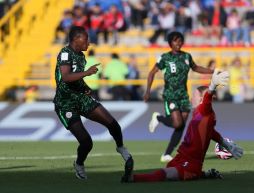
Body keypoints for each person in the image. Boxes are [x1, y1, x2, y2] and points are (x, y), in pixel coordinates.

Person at [122, 70, 243, 183]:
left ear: (201, 99)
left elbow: (207, 99)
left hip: (191, 162)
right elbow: (211, 133)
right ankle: (204, 174)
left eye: (194, 96)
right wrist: (226, 144)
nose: (191, 98)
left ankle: (132, 178)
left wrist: (212, 86)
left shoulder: (204, 110)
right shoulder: (199, 114)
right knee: (169, 169)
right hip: (181, 157)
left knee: (165, 174)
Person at [53, 26, 133, 180]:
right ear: (76, 38)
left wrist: (85, 87)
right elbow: (66, 77)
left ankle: (121, 147)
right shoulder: (65, 53)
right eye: (86, 39)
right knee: (86, 142)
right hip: (65, 104)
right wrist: (87, 73)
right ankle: (79, 164)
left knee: (113, 123)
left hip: (81, 98)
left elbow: (76, 78)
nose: (89, 42)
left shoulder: (81, 56)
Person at [143, 31, 214, 162]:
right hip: (170, 94)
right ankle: (158, 118)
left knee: (181, 126)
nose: (178, 43)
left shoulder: (187, 56)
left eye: (180, 40)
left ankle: (166, 154)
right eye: (176, 40)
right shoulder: (165, 57)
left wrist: (213, 72)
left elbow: (196, 68)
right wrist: (148, 91)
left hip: (183, 95)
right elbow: (152, 73)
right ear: (170, 43)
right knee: (177, 123)